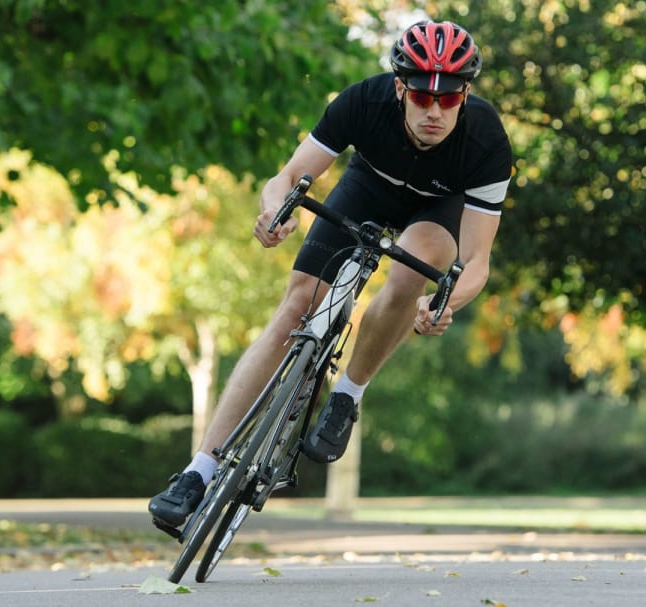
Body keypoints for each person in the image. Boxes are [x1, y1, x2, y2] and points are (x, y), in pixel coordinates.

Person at [149, 19, 514, 528]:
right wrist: (275, 213)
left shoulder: (487, 141)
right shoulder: (362, 102)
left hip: (438, 209)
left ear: (465, 95)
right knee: (297, 307)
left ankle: (347, 395)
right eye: (422, 97)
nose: (435, 111)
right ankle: (199, 471)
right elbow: (286, 177)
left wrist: (444, 303)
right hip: (368, 188)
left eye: (449, 99)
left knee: (411, 270)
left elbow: (476, 261)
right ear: (399, 88)